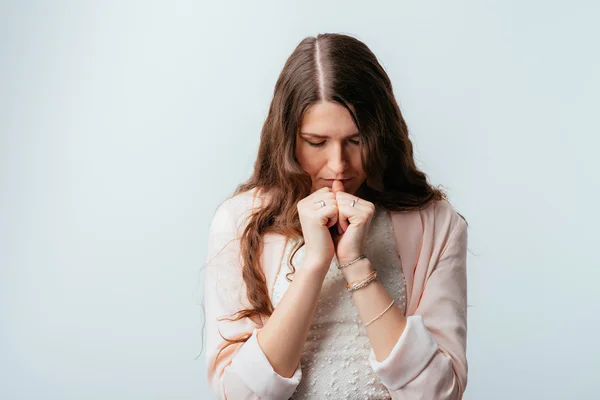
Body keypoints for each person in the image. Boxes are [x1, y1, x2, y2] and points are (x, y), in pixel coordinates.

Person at [202, 33, 468, 400]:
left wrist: (356, 263)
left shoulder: (436, 223)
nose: (338, 165)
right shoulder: (239, 222)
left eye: (356, 140)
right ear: (287, 140)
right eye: (316, 142)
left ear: (380, 134)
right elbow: (240, 395)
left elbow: (439, 393)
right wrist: (314, 264)